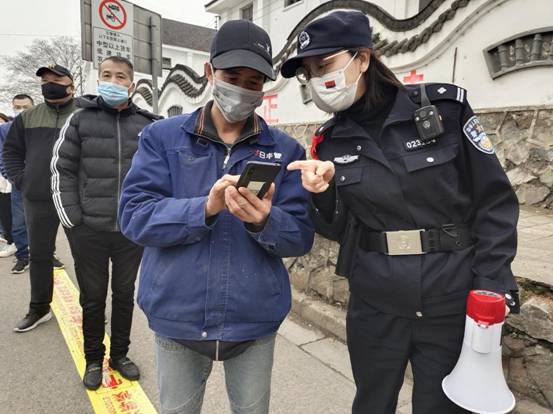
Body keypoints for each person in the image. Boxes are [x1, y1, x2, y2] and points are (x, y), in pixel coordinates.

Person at [282, 10, 520, 414]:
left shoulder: (444, 110)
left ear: (363, 58)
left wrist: (493, 281)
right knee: (372, 404)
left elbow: (494, 202)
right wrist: (321, 193)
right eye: (308, 72)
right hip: (376, 302)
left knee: (441, 406)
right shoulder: (330, 140)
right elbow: (337, 228)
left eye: (324, 65)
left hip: (451, 296)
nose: (317, 79)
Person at [119, 19, 314, 414]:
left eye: (254, 81)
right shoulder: (163, 137)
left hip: (254, 319)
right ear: (209, 73)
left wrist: (264, 221)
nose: (242, 88)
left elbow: (300, 236)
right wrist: (203, 208)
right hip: (177, 315)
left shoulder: (286, 150)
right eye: (232, 75)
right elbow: (134, 216)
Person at [51, 56, 160, 390]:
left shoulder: (147, 124)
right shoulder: (80, 119)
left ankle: (120, 355)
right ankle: (94, 358)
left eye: (121, 76)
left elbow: (158, 175)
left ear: (131, 83)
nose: (113, 81)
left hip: (130, 230)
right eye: (106, 75)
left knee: (125, 294)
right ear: (99, 79)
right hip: (89, 230)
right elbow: (61, 170)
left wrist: (148, 217)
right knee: (93, 297)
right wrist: (73, 221)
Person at [4, 65, 77, 332]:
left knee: (85, 257)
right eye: (45, 80)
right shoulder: (28, 117)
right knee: (40, 256)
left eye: (56, 79)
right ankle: (39, 308)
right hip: (38, 198)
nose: (49, 83)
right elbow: (11, 152)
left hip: (76, 198)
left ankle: (92, 311)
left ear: (71, 84)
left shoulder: (86, 114)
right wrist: (22, 180)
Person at [0, 94, 34, 272]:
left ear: (33, 107)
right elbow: (2, 155)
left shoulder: (40, 126)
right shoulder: (5, 129)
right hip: (18, 183)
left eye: (25, 107)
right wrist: (12, 177)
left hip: (42, 182)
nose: (21, 110)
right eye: (17, 107)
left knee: (44, 221)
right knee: (19, 222)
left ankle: (47, 254)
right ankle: (23, 256)